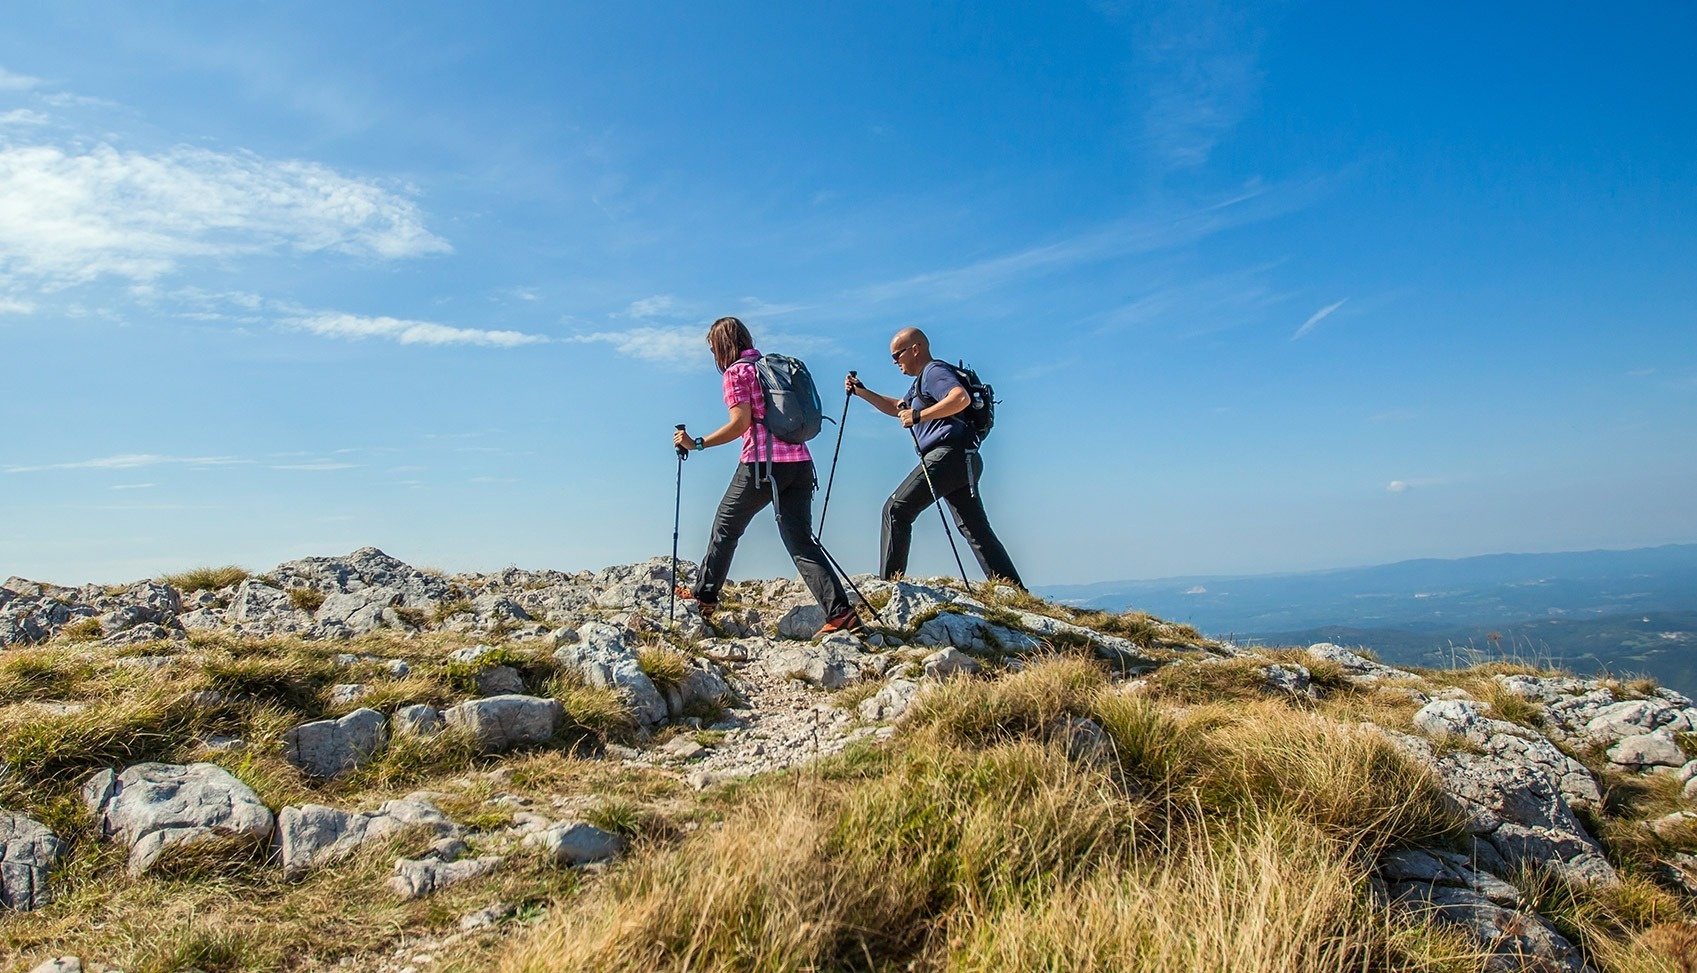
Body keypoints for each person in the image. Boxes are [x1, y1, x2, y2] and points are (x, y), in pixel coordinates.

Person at [673, 317, 863, 634]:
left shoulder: (737, 373)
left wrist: (698, 443)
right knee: (801, 540)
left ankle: (704, 597)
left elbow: (739, 424)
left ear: (721, 347)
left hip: (762, 465)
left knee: (725, 526)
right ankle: (841, 614)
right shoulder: (769, 368)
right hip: (800, 464)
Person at [845, 327, 1025, 588]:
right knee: (975, 530)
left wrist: (919, 417)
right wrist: (862, 392)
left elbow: (959, 398)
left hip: (947, 456)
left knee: (896, 509)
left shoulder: (934, 372)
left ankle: (891, 585)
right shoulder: (920, 383)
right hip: (965, 459)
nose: (895, 362)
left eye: (897, 355)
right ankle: (1014, 589)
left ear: (915, 349)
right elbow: (898, 408)